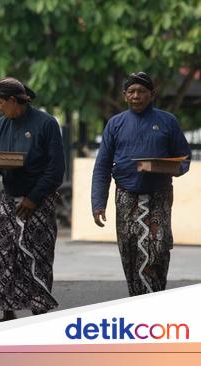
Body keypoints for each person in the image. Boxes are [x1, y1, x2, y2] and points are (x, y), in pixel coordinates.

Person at [91, 72, 191, 296]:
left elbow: (185, 159)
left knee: (157, 248)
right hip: (126, 198)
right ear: (125, 95)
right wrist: (98, 203)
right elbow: (102, 166)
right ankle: (137, 301)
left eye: (142, 91)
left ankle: (154, 300)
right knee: (130, 250)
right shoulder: (115, 124)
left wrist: (170, 168)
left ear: (152, 94)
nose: (136, 96)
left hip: (159, 196)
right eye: (131, 92)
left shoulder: (167, 121)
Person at [0, 77, 65, 321]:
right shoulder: (2, 124)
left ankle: (39, 311)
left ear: (13, 101)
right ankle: (7, 311)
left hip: (38, 201)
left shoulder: (46, 123)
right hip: (10, 199)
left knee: (36, 254)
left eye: (1, 102)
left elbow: (56, 169)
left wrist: (33, 198)